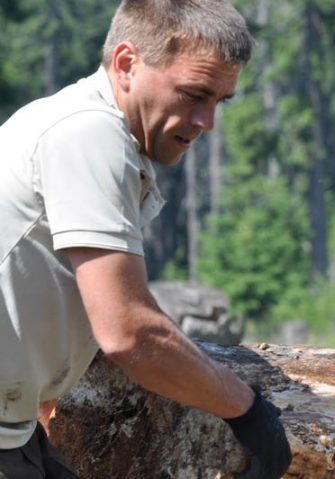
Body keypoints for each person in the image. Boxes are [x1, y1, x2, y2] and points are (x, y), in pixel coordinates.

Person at [0, 1, 291, 477]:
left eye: (220, 101)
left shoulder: (84, 127)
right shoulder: (88, 135)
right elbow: (128, 330)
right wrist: (248, 410)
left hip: (16, 434)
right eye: (194, 94)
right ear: (126, 64)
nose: (207, 122)